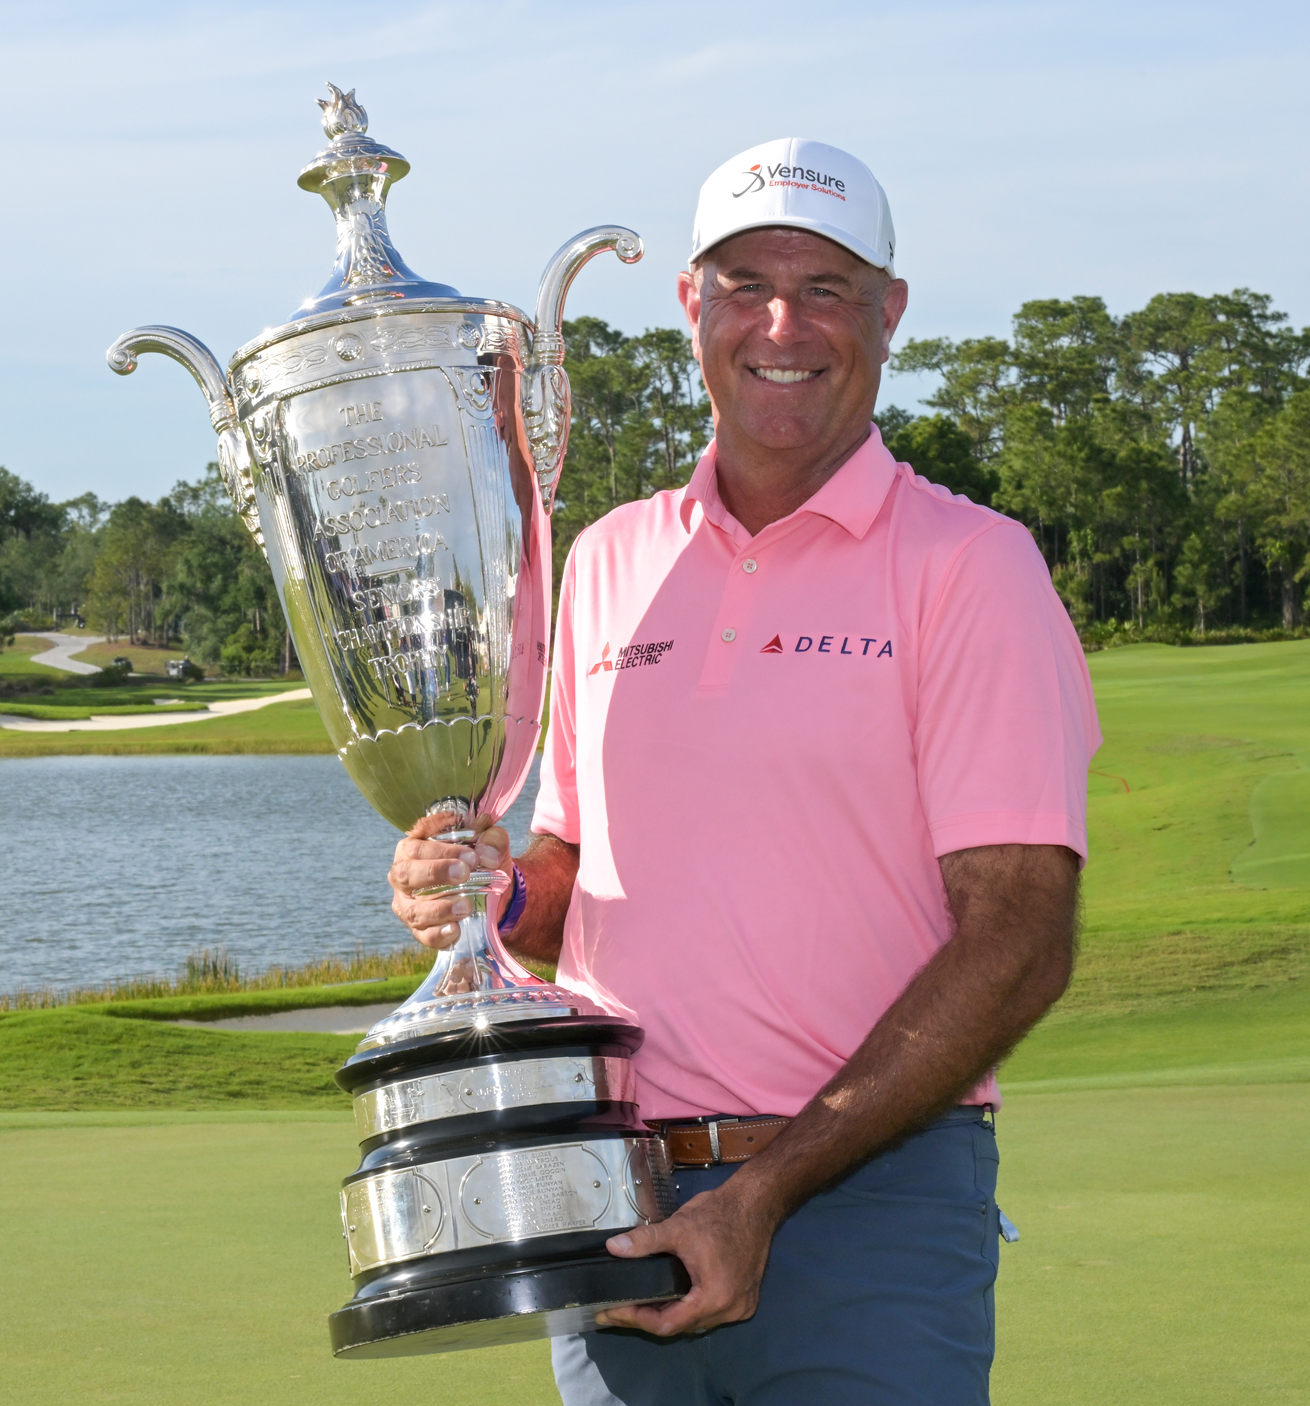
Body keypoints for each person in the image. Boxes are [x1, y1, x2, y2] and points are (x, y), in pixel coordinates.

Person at [387, 136, 1100, 1405]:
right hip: (614, 1200)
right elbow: (576, 877)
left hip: (870, 1201)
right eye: (745, 284)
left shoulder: (970, 567)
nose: (783, 322)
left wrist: (762, 1195)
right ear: (691, 308)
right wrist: (486, 903)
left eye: (825, 286)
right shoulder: (603, 559)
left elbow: (1021, 935)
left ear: (887, 312)